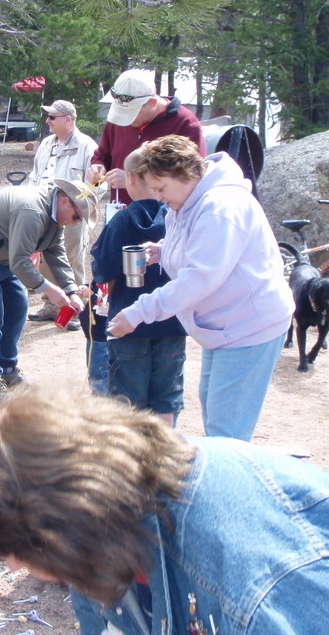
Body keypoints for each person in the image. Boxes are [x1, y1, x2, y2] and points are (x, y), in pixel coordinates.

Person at [0, 387, 329, 635]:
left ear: (67, 518)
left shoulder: (272, 585)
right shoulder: (117, 516)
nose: (13, 567)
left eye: (13, 550)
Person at [107, 136, 292, 441]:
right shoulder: (190, 200)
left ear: (185, 174)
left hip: (249, 326)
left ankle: (233, 472)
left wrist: (139, 312)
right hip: (224, 327)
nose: (157, 196)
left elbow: (200, 277)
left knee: (227, 431)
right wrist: (163, 250)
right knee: (216, 415)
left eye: (161, 188)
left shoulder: (221, 208)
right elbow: (200, 248)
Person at [0, 178, 98, 387]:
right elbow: (19, 262)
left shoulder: (55, 218)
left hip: (1, 252)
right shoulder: (32, 211)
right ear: (65, 201)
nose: (75, 223)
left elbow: (55, 252)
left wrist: (71, 290)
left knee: (17, 306)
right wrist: (49, 289)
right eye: (76, 217)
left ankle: (7, 369)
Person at [91, 149, 186, 425]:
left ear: (129, 178)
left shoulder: (121, 220)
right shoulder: (175, 217)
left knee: (127, 400)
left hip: (127, 323)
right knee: (167, 396)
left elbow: (103, 270)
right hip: (172, 322)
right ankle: (164, 446)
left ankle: (132, 450)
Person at [86, 69, 205, 208]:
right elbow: (102, 155)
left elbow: (192, 178)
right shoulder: (118, 121)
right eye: (122, 112)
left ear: (153, 102)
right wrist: (98, 167)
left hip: (164, 215)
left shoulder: (185, 123)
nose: (127, 119)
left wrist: (134, 182)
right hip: (122, 212)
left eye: (132, 113)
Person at [26, 100, 98, 326]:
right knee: (46, 260)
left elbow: (98, 184)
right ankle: (51, 305)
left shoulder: (86, 146)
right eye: (47, 116)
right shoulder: (46, 144)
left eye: (52, 117)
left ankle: (74, 310)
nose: (48, 121)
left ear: (68, 120)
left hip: (71, 214)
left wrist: (79, 208)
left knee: (71, 260)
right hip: (44, 212)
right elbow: (35, 175)